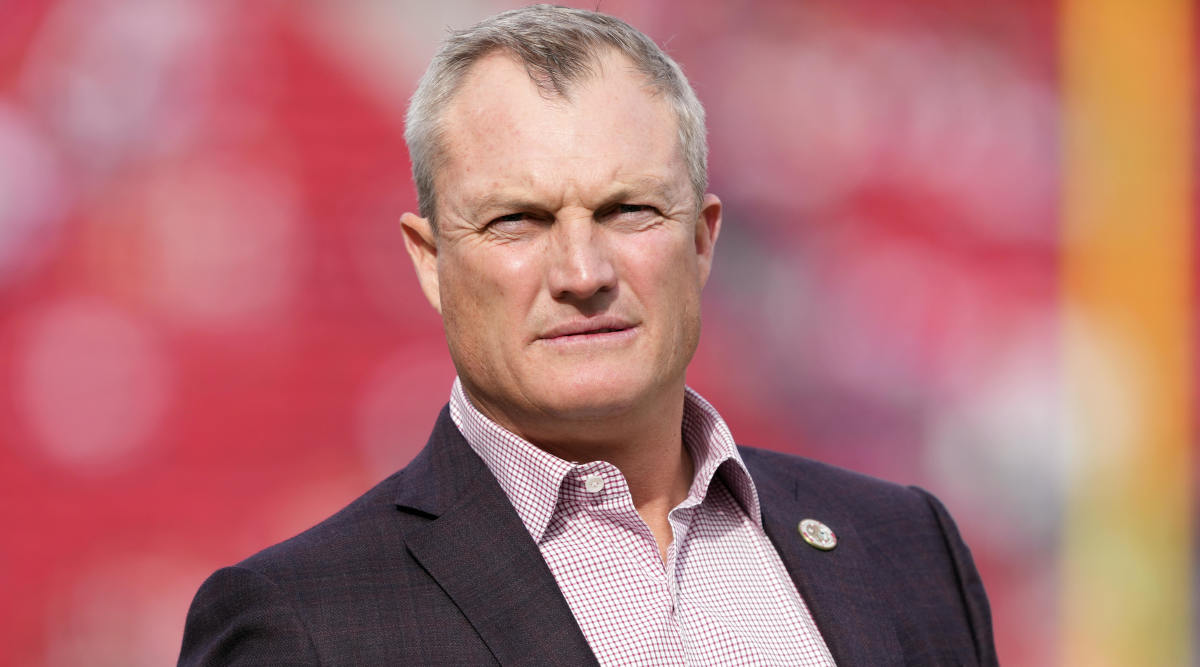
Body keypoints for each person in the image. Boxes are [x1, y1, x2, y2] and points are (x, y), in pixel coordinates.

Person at [178, 6, 996, 666]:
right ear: (431, 260)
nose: (581, 271)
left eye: (628, 210)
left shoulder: (904, 548)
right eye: (517, 220)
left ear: (702, 241)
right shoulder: (305, 624)